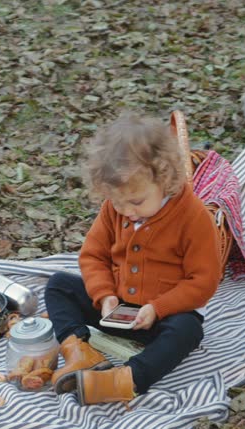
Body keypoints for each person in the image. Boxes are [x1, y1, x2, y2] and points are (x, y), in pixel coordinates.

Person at [44, 112, 220, 406]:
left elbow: (204, 280)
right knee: (59, 285)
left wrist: (159, 307)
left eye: (136, 202)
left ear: (166, 179)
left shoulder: (193, 218)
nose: (127, 211)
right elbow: (93, 255)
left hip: (162, 317)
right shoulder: (116, 209)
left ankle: (125, 380)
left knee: (188, 330)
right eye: (117, 201)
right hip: (117, 310)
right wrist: (105, 296)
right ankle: (79, 352)